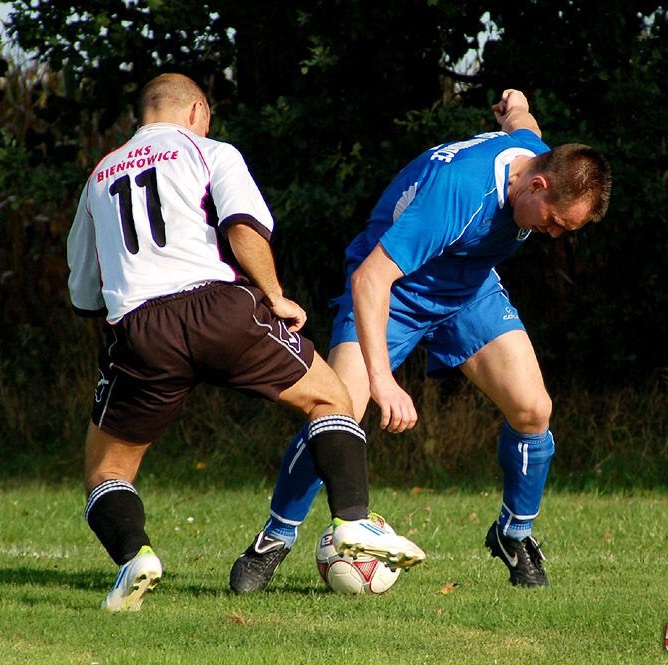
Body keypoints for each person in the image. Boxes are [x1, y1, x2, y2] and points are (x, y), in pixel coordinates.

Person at [67, 73, 426, 610]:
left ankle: (134, 557)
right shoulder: (209, 150)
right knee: (331, 399)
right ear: (197, 112)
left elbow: (83, 291)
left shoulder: (98, 177)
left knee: (108, 470)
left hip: (141, 329)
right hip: (219, 310)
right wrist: (275, 295)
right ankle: (353, 522)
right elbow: (243, 227)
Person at [229, 89, 611, 592]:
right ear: (537, 185)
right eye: (554, 222)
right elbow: (370, 279)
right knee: (336, 412)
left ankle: (514, 534)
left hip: (468, 292)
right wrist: (384, 382)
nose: (553, 234)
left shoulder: (532, 154)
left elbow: (526, 125)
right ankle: (275, 537)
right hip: (393, 291)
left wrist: (514, 104)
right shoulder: (461, 191)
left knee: (533, 410)